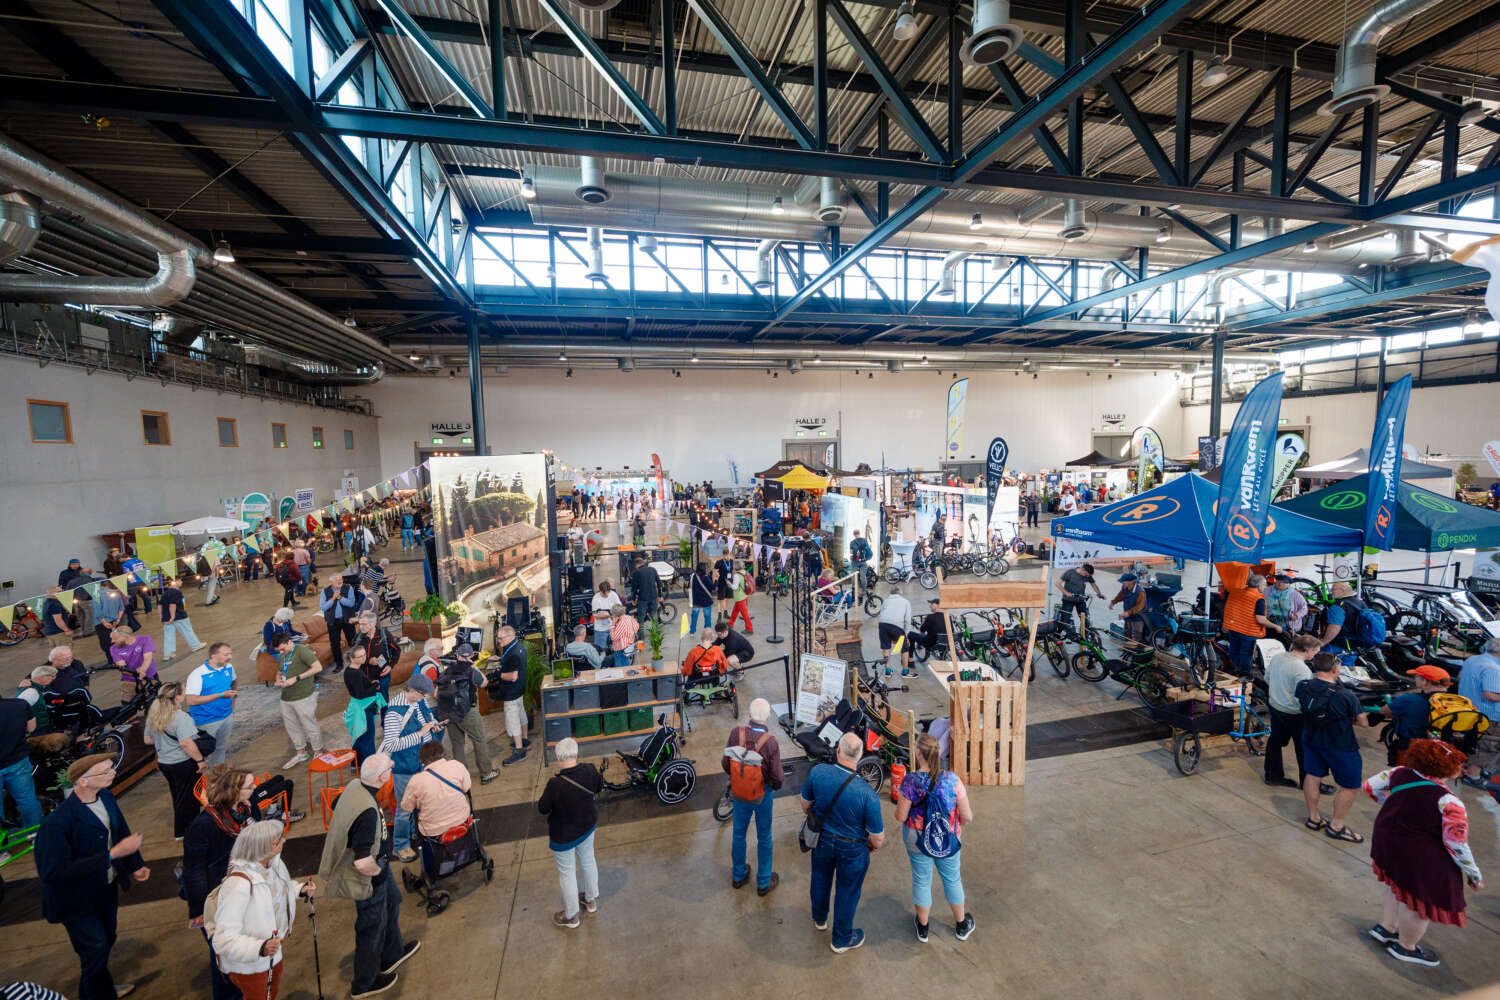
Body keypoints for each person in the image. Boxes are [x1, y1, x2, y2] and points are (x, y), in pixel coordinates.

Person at [35, 754, 148, 999]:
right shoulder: (58, 823)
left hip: (104, 888)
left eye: (111, 768)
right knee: (95, 948)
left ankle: (100, 989)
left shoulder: (105, 797)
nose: (113, 772)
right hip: (75, 900)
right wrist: (111, 855)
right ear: (82, 781)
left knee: (107, 939)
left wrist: (135, 864)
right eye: (104, 771)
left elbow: (121, 831)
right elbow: (52, 872)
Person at [1365, 738, 1483, 967]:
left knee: (1395, 885)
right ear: (1447, 770)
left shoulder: (1398, 773)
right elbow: (1456, 842)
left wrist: (1391, 805)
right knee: (1420, 904)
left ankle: (1385, 928)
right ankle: (1406, 947)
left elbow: (1369, 787)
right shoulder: (1449, 801)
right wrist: (1473, 874)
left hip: (1388, 842)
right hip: (1420, 855)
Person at [316, 752, 420, 999]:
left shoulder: (355, 786)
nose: (392, 771)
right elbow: (362, 861)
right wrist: (377, 870)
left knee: (392, 903)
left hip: (380, 869)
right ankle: (364, 983)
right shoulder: (367, 813)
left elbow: (336, 804)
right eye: (389, 769)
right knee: (371, 927)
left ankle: (392, 955)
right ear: (382, 777)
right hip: (371, 877)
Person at [801, 731, 885, 953]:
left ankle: (820, 919)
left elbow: (805, 804)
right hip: (853, 848)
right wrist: (871, 847)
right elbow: (877, 837)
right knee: (847, 892)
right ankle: (841, 939)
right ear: (860, 756)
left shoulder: (818, 772)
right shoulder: (868, 794)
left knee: (820, 879)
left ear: (838, 750)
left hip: (821, 840)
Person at [211, 820, 311, 1000]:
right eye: (277, 840)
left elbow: (276, 890)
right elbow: (223, 939)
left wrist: (299, 890)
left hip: (272, 951)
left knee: (270, 994)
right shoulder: (238, 885)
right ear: (262, 848)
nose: (284, 841)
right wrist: (259, 948)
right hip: (251, 965)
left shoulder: (272, 863)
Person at [894, 732, 975, 943]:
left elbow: (900, 816)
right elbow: (967, 816)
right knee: (952, 879)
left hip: (916, 839)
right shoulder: (952, 780)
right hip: (947, 839)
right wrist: (955, 826)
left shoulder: (910, 782)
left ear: (918, 753)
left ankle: (923, 928)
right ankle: (961, 925)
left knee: (921, 880)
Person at [1297, 652, 1373, 843]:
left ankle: (1314, 818)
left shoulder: (1303, 685)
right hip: (1340, 744)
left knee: (1313, 776)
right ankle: (1336, 826)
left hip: (1311, 739)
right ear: (1335, 670)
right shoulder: (1345, 694)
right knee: (1350, 786)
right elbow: (1364, 723)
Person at [537, 737, 603, 929]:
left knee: (567, 873)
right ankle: (590, 900)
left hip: (564, 836)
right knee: (588, 860)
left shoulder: (555, 784)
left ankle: (571, 916)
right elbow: (599, 787)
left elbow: (543, 808)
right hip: (587, 826)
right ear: (576, 754)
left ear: (558, 757)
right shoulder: (589, 770)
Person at [380, 673, 444, 863]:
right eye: (423, 695)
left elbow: (426, 718)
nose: (424, 698)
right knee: (404, 809)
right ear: (414, 691)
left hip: (422, 762)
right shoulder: (394, 713)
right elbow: (391, 744)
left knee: (423, 802)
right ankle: (400, 846)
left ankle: (418, 833)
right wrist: (420, 734)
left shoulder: (417, 702)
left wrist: (433, 725)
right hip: (405, 768)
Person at [723, 699, 783, 896]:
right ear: (768, 717)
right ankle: (763, 882)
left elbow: (725, 763)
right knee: (764, 837)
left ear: (748, 715)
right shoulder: (770, 742)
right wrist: (772, 787)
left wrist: (739, 779)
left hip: (740, 793)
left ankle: (738, 875)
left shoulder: (736, 733)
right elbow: (777, 776)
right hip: (762, 795)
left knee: (739, 834)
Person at [421, 643, 497, 784]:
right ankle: (486, 773)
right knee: (479, 740)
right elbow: (484, 683)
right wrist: (474, 667)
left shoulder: (446, 672)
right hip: (468, 711)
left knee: (457, 745)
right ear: (472, 655)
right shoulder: (471, 671)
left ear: (456, 655)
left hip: (449, 713)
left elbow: (436, 694)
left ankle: (462, 776)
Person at [142, 682, 206, 838]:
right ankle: (186, 831)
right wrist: (200, 760)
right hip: (182, 763)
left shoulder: (154, 714)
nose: (185, 694)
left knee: (178, 795)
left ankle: (184, 830)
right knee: (189, 799)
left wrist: (164, 742)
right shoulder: (180, 717)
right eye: (183, 692)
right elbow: (186, 743)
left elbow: (147, 740)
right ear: (177, 697)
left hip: (165, 763)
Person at [1264, 634, 1322, 789]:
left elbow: (1267, 678)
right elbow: (1305, 695)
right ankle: (1307, 783)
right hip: (1294, 713)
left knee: (1275, 741)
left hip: (1275, 706)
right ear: (1307, 650)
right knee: (1304, 748)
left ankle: (1273, 776)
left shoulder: (1278, 657)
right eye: (1315, 652)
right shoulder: (1301, 668)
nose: (1314, 655)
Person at [269, 634, 324, 770]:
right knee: (292, 726)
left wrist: (296, 678)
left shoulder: (302, 650)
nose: (281, 653)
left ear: (289, 642)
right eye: (278, 651)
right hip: (286, 697)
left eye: (282, 649)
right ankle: (301, 752)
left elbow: (318, 668)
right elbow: (279, 671)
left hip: (304, 696)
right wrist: (278, 679)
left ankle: (318, 752)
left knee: (309, 724)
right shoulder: (282, 655)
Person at [398, 741, 472, 839]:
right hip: (462, 820)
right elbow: (467, 787)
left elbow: (406, 807)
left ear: (422, 761)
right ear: (443, 753)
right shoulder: (457, 765)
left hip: (433, 831)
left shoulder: (416, 780)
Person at [184, 642, 238, 765]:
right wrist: (220, 695)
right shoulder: (198, 675)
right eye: (226, 655)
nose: (230, 657)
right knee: (205, 751)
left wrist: (233, 701)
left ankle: (217, 773)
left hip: (227, 716)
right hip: (207, 721)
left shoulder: (229, 667)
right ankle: (203, 775)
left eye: (230, 654)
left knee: (221, 748)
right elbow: (191, 700)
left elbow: (234, 681)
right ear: (213, 656)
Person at [1457, 637, 1500, 786]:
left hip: (1468, 711)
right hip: (1489, 716)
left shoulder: (1472, 660)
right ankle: (1473, 776)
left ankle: (1468, 769)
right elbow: (1490, 695)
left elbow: (1460, 677)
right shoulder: (1493, 668)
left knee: (1473, 741)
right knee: (1488, 746)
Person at [1222, 573, 1281, 675]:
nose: (1265, 587)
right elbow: (1260, 619)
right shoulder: (1258, 598)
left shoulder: (1235, 592)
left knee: (1233, 651)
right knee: (1246, 654)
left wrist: (1225, 624)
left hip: (1233, 628)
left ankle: (1231, 672)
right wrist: (1275, 626)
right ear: (1259, 586)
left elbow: (1228, 609)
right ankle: (1244, 675)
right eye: (1264, 585)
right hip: (1248, 632)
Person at [491, 625, 531, 766]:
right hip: (519, 689)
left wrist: (498, 674)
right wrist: (500, 659)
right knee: (521, 714)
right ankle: (524, 740)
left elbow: (513, 676)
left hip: (511, 692)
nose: (499, 641)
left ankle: (519, 751)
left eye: (500, 638)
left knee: (513, 721)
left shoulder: (513, 653)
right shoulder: (517, 647)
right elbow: (514, 664)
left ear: (510, 636)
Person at [0, 691, 40, 833]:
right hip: (18, 761)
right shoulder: (20, 705)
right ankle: (35, 834)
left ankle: (3, 844)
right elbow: (31, 728)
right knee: (27, 799)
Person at [342, 645, 387, 764]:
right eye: (360, 656)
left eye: (364, 655)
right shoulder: (356, 673)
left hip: (358, 706)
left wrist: (370, 684)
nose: (364, 658)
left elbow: (359, 687)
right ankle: (370, 764)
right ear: (351, 658)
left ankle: (356, 763)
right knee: (367, 737)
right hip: (362, 708)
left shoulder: (350, 670)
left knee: (360, 736)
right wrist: (374, 687)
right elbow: (361, 694)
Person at [352, 613, 399, 700]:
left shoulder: (384, 635)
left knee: (383, 699)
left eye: (364, 624)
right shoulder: (358, 638)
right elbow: (352, 656)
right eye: (360, 624)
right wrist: (368, 661)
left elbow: (397, 650)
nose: (361, 627)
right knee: (368, 701)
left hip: (382, 676)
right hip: (364, 677)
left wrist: (390, 666)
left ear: (373, 623)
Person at [320, 571, 358, 674]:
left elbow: (351, 603)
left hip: (347, 619)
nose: (340, 581)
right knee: (335, 644)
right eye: (337, 580)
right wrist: (332, 599)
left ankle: (356, 661)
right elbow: (323, 607)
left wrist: (340, 598)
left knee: (353, 641)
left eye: (341, 579)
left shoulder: (348, 588)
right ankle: (339, 664)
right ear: (331, 581)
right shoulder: (325, 592)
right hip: (333, 621)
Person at [157, 576, 204, 661]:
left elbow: (159, 605)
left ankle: (168, 654)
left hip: (166, 618)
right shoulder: (176, 592)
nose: (182, 582)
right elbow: (172, 604)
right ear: (176, 581)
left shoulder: (165, 593)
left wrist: (161, 617)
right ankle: (195, 645)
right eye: (180, 580)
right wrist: (173, 616)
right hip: (179, 616)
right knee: (187, 630)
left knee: (168, 636)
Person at [107, 626, 157, 705]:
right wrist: (137, 672)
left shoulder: (145, 639)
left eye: (115, 639)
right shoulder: (113, 649)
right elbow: (123, 668)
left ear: (126, 637)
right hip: (129, 679)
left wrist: (142, 670)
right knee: (127, 704)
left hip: (149, 676)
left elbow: (147, 658)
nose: (112, 641)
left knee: (154, 702)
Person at [92, 583, 135, 661]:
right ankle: (121, 658)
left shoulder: (96, 595)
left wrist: (104, 622)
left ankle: (112, 660)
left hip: (101, 623)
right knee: (116, 640)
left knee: (106, 643)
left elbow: (97, 612)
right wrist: (118, 620)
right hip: (114, 622)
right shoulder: (116, 593)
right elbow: (121, 608)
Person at [1057, 562, 1103, 630]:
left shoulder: (1087, 575)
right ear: (1082, 570)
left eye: (1088, 575)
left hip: (1080, 600)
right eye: (1086, 574)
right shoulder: (1070, 572)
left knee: (1085, 621)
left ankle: (1084, 635)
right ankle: (1058, 634)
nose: (1086, 576)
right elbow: (1058, 583)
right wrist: (1066, 593)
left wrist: (1099, 594)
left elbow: (1093, 585)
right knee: (1065, 620)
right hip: (1068, 600)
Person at [878, 589, 914, 677]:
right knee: (904, 647)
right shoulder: (905, 602)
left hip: (882, 624)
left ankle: (887, 671)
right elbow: (907, 620)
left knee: (886, 647)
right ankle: (905, 672)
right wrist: (906, 635)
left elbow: (881, 614)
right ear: (900, 594)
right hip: (897, 625)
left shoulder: (886, 601)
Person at [1110, 573, 1147, 644]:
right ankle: (1128, 648)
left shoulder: (1140, 592)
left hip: (1137, 618)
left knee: (1136, 638)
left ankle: (1135, 649)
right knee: (1127, 635)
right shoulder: (1124, 587)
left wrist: (1128, 612)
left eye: (1124, 582)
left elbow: (1140, 606)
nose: (1122, 583)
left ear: (1131, 582)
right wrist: (1113, 602)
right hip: (1127, 617)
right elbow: (1120, 596)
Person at [591, 581, 623, 652]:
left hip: (613, 627)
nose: (607, 595)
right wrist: (609, 615)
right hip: (601, 629)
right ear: (600, 591)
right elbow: (596, 615)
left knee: (616, 649)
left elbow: (619, 607)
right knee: (600, 650)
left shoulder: (613, 594)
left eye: (608, 592)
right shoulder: (596, 599)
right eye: (604, 593)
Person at [726, 561, 753, 633]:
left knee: (745, 614)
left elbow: (734, 587)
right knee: (735, 611)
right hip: (744, 595)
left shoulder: (737, 575)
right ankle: (730, 623)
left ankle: (749, 629)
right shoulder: (744, 572)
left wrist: (729, 583)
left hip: (739, 597)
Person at [630, 555, 659, 621]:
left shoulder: (636, 573)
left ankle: (641, 628)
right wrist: (660, 595)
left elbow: (634, 588)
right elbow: (659, 582)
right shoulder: (652, 569)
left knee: (641, 617)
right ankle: (654, 627)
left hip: (643, 598)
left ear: (636, 565)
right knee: (653, 617)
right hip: (653, 596)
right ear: (643, 563)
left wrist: (633, 599)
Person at [689, 563, 715, 635]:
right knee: (707, 616)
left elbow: (690, 586)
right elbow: (712, 587)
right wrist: (715, 580)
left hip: (696, 600)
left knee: (694, 616)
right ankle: (707, 630)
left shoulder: (693, 576)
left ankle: (692, 632)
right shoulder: (705, 577)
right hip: (705, 601)